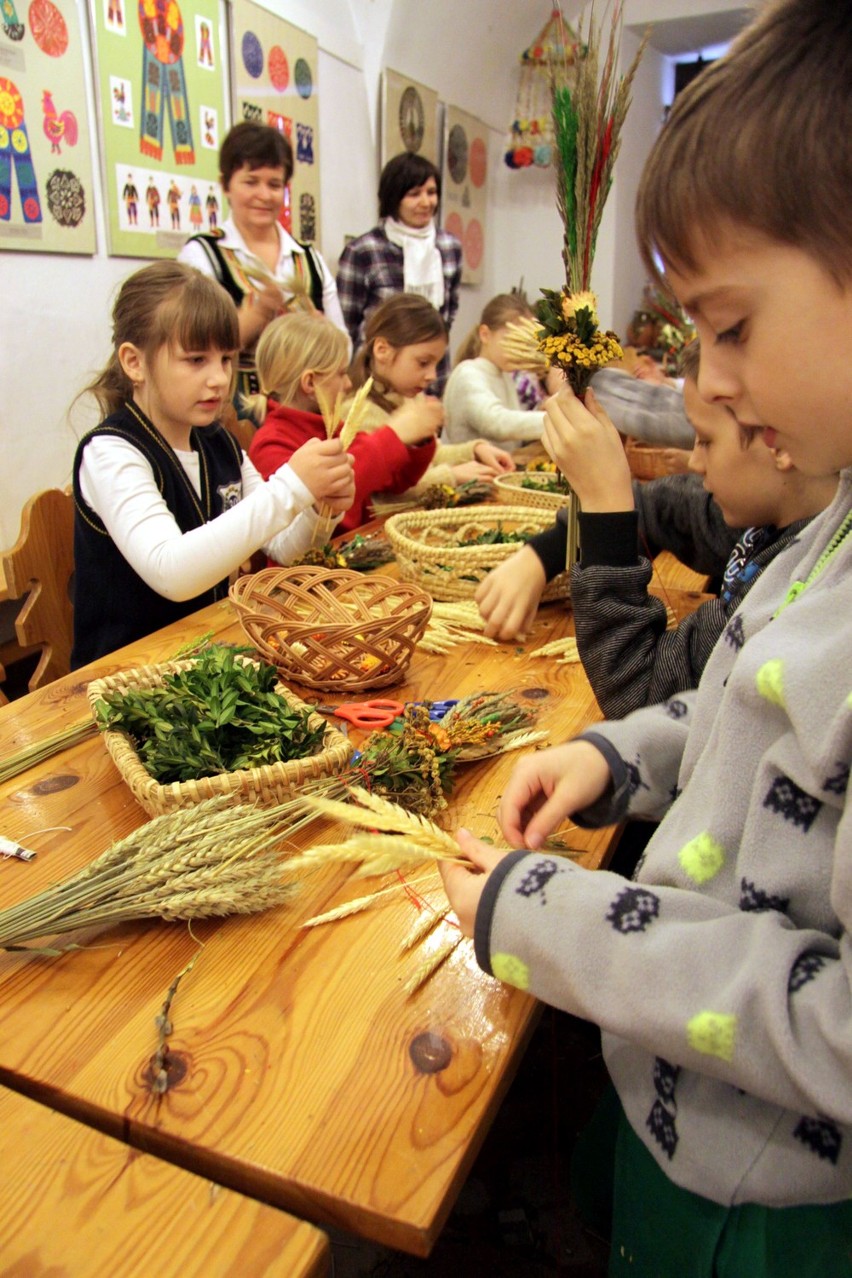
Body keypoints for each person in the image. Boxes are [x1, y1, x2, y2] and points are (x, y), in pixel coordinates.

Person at [439, 0, 852, 1272]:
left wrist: (556, 921)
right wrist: (618, 761)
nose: (705, 386)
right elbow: (744, 700)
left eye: (730, 329)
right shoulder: (828, 529)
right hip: (686, 1123)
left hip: (765, 1207)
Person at [476, 339, 837, 717]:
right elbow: (661, 506)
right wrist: (543, 554)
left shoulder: (789, 596)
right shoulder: (778, 515)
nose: (694, 462)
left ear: (779, 442)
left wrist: (605, 506)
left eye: (706, 441)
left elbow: (638, 690)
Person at [70, 262, 354, 668]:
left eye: (225, 359)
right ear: (134, 363)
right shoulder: (112, 453)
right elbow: (173, 572)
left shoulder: (218, 443)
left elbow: (284, 548)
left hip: (205, 662)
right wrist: (292, 486)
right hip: (122, 681)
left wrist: (319, 506)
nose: (220, 379)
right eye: (196, 359)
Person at [178, 122, 347, 401]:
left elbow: (344, 348)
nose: (264, 195)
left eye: (274, 185)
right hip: (229, 411)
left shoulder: (309, 259)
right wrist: (255, 315)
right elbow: (194, 350)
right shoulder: (202, 255)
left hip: (305, 412)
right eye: (251, 182)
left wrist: (324, 333)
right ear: (225, 185)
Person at [247, 308, 440, 534]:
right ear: (310, 383)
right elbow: (326, 497)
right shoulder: (271, 444)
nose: (348, 383)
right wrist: (394, 435)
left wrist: (418, 440)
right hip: (311, 567)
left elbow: (396, 482)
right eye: (340, 374)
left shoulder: (330, 428)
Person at [343, 294, 516, 506]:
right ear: (382, 350)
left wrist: (474, 450)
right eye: (423, 362)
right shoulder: (357, 412)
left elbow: (431, 456)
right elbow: (383, 492)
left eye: (435, 364)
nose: (433, 375)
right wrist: (450, 475)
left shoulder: (408, 399)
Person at [336, 153, 462, 394]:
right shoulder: (364, 249)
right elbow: (345, 326)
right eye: (414, 194)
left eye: (431, 192)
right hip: (377, 381)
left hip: (432, 375)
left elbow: (449, 312)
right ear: (394, 197)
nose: (425, 202)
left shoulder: (449, 246)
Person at [442, 293, 559, 450]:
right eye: (515, 340)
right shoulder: (468, 374)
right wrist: (556, 421)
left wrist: (540, 411)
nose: (521, 349)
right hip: (471, 471)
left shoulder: (503, 374)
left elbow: (512, 430)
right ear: (485, 334)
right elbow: (496, 423)